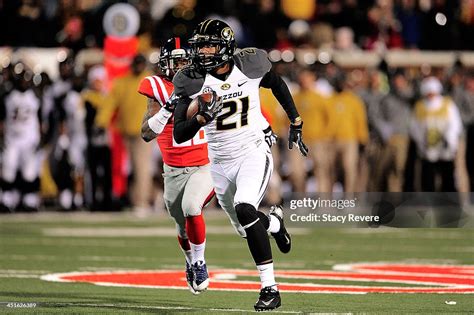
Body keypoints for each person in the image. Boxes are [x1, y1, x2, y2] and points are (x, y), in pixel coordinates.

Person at [172, 19, 308, 311]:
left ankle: (269, 288)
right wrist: (201, 119)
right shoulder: (191, 79)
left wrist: (295, 120)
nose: (204, 52)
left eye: (210, 45)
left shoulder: (250, 64)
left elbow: (276, 84)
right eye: (201, 45)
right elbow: (179, 134)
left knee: (246, 208)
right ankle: (273, 222)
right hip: (219, 162)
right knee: (246, 228)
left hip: (252, 151)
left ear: (225, 46)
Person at [138, 37, 214, 294]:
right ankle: (191, 261)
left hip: (206, 164)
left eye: (185, 60)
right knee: (182, 226)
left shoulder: (206, 80)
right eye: (177, 61)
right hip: (173, 169)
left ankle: (201, 262)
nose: (182, 66)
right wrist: (168, 106)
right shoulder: (157, 86)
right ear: (165, 64)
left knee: (193, 206)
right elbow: (147, 133)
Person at [110, 54, 153, 215]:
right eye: (137, 63)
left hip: (146, 132)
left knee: (142, 167)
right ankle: (136, 199)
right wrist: (101, 122)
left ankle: (142, 202)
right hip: (126, 133)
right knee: (132, 169)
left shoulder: (150, 81)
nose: (139, 66)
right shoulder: (122, 82)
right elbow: (111, 103)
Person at [410, 76, 462, 192]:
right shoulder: (420, 106)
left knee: (448, 177)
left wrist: (450, 139)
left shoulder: (447, 104)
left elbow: (455, 124)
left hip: (445, 148)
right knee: (428, 178)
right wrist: (421, 141)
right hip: (428, 149)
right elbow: (414, 127)